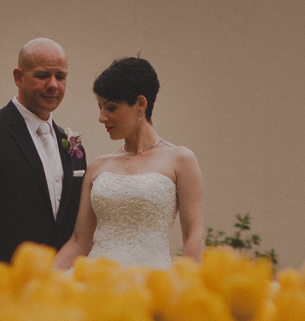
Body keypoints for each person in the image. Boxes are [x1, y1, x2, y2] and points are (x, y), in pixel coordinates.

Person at [0, 38, 88, 274]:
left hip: (60, 291)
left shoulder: (73, 145)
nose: (53, 85)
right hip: (3, 289)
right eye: (42, 75)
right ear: (18, 77)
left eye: (60, 77)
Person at [52, 57, 204, 270]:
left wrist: (185, 289)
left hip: (151, 285)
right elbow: (79, 242)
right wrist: (44, 280)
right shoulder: (98, 167)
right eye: (100, 107)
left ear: (140, 103)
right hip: (98, 283)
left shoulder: (180, 159)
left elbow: (194, 235)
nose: (101, 117)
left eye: (111, 108)